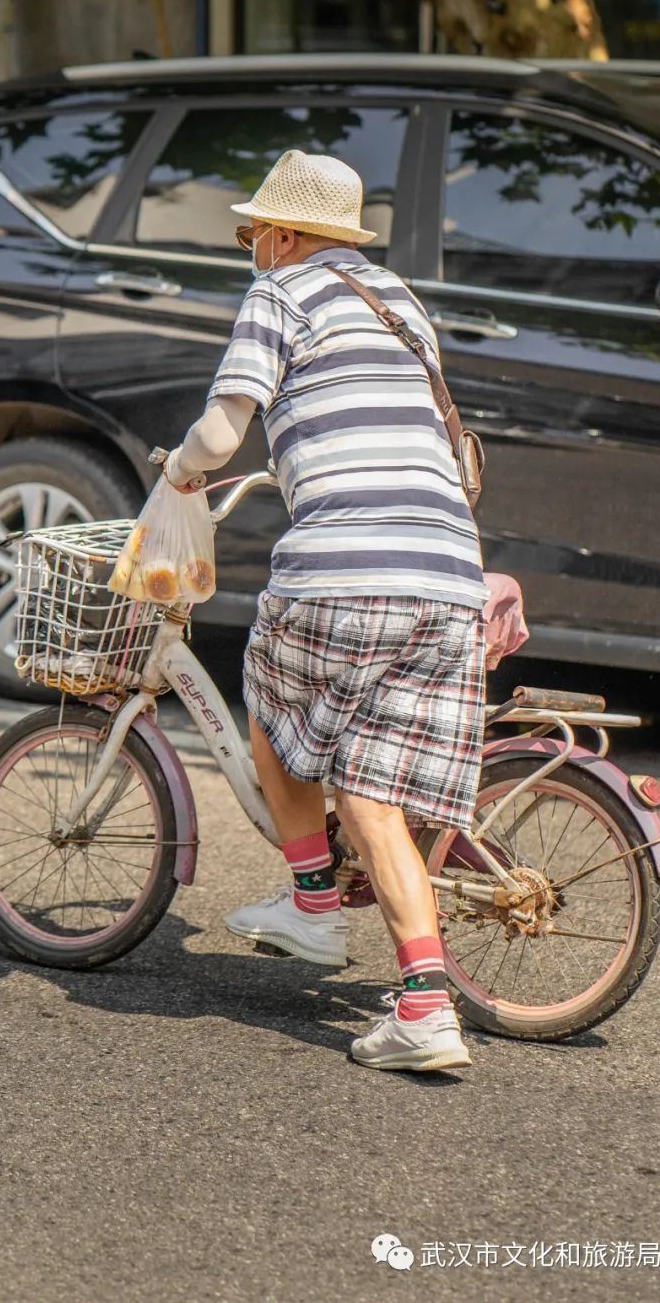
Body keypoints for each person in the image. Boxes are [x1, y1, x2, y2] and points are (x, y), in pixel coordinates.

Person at [163, 149, 487, 1073]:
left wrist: (182, 471)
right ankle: (420, 999)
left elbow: (227, 428)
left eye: (251, 234)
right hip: (448, 574)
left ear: (285, 234)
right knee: (376, 798)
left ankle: (313, 904)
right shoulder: (400, 301)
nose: (250, 250)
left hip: (346, 570)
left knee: (267, 686)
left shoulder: (281, 293)